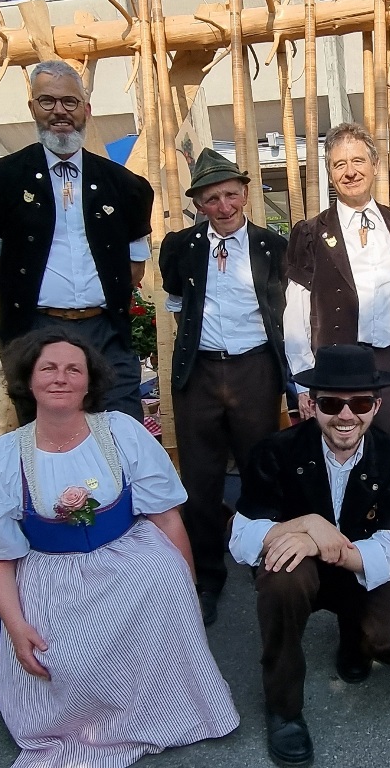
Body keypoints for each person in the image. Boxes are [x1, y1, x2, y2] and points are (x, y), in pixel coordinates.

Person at [0, 329, 238, 768]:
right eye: (48, 368)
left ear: (90, 382)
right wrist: (15, 628)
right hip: (51, 574)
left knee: (163, 592)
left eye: (74, 369)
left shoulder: (121, 432)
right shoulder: (2, 458)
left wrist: (186, 589)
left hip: (129, 559)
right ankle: (82, 724)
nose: (61, 378)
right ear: (28, 380)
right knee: (64, 658)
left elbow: (166, 518)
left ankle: (161, 709)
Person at [230, 344, 390, 767]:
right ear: (311, 404)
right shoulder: (275, 452)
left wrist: (325, 543)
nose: (346, 415)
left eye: (360, 402)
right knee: (281, 575)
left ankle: (355, 637)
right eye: (331, 403)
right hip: (300, 572)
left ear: (376, 406)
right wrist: (305, 525)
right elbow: (242, 539)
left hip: (361, 569)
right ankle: (284, 709)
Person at [0, 59, 154, 422]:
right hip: (35, 330)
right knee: (47, 443)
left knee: (120, 436)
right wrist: (33, 303)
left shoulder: (125, 186)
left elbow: (132, 270)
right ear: (32, 107)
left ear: (86, 109)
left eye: (70, 102)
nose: (60, 112)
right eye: (47, 101)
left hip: (105, 333)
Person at [159, 147, 288, 626]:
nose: (225, 206)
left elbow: (284, 314)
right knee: (200, 478)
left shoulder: (274, 247)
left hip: (255, 371)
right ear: (199, 204)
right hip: (201, 374)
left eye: (231, 194)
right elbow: (177, 303)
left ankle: (264, 565)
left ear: (246, 194)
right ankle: (208, 577)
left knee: (260, 472)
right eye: (212, 198)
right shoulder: (180, 247)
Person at [284, 122, 390, 439]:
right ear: (330, 173)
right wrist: (304, 383)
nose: (350, 172)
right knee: (341, 459)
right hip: (336, 371)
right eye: (339, 164)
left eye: (358, 161)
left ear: (375, 165)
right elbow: (294, 314)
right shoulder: (309, 233)